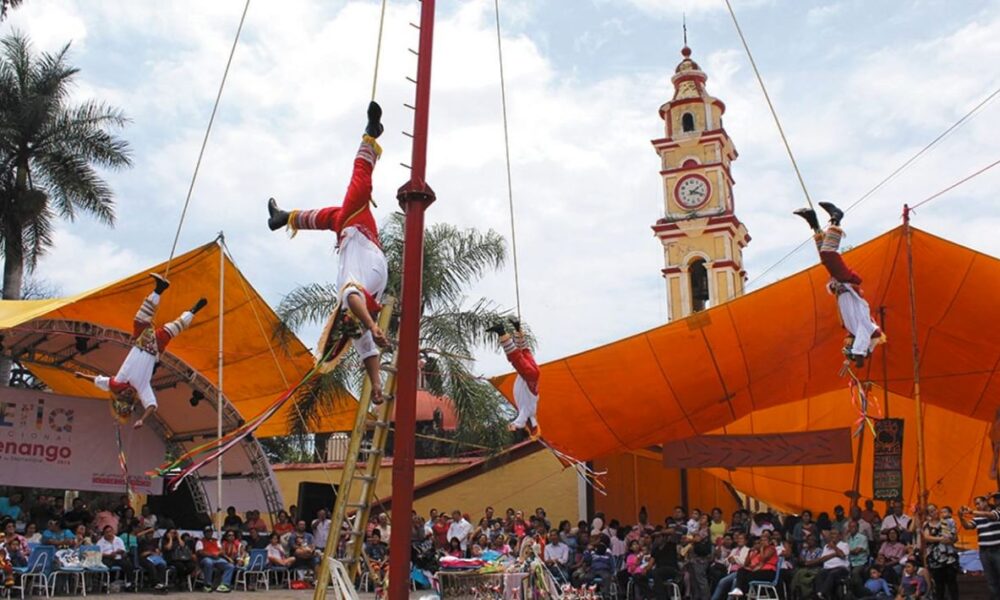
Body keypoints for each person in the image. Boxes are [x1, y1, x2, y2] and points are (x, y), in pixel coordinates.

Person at [267, 101, 389, 403]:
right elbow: (352, 299)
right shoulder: (348, 298)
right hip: (362, 240)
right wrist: (373, 325)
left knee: (332, 216)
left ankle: (284, 217)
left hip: (355, 238)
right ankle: (370, 135)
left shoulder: (351, 317)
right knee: (359, 183)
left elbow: (367, 351)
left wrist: (376, 385)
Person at [75, 274, 207, 428]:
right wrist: (142, 420)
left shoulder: (116, 383)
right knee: (174, 327)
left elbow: (98, 381)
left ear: (120, 394)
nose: (128, 393)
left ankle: (159, 289)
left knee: (140, 318)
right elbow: (151, 405)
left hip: (140, 341)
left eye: (124, 394)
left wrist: (82, 375)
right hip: (154, 347)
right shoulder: (142, 388)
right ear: (133, 398)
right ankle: (192, 311)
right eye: (130, 396)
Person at [793, 202, 884, 367]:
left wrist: (833, 288)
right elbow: (864, 337)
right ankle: (836, 218)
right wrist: (859, 357)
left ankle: (814, 224)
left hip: (841, 284)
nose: (848, 346)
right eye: (854, 348)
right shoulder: (866, 327)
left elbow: (841, 301)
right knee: (829, 255)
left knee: (824, 257)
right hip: (847, 282)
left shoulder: (851, 326)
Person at [486, 317, 540, 434]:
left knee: (524, 351)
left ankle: (517, 327)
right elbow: (521, 421)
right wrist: (514, 426)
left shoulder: (532, 409)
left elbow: (528, 420)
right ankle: (501, 331)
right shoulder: (527, 411)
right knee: (515, 357)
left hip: (534, 373)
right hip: (530, 375)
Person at [960, 495, 1000, 598]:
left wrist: (971, 511)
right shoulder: (977, 517)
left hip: (997, 549)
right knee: (991, 579)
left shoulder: (996, 511)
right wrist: (961, 518)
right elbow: (968, 526)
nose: (977, 506)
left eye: (979, 503)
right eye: (976, 504)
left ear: (985, 502)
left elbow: (991, 515)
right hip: (984, 551)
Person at [922, 504, 958, 599]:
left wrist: (950, 540)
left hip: (948, 556)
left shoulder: (947, 522)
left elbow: (954, 537)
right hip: (935, 557)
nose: (935, 512)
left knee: (952, 582)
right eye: (931, 511)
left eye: (935, 510)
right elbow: (926, 537)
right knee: (939, 584)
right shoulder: (926, 524)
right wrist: (940, 539)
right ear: (928, 514)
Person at [814, 529, 850, 599]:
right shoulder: (826, 546)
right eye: (831, 534)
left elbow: (842, 555)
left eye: (834, 534)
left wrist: (834, 547)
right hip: (828, 569)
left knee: (833, 574)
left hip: (841, 569)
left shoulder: (844, 545)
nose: (832, 536)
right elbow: (822, 559)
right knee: (820, 573)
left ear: (840, 536)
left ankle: (823, 593)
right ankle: (818, 594)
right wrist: (835, 554)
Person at [195, 527, 234, 593]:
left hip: (217, 558)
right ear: (204, 533)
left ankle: (224, 585)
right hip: (205, 558)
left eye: (210, 531)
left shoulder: (216, 540)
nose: (209, 533)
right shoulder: (200, 541)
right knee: (209, 562)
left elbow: (221, 550)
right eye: (207, 532)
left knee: (230, 566)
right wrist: (211, 555)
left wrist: (217, 553)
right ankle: (207, 585)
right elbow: (200, 552)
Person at [97, 525, 133, 589]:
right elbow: (99, 554)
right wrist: (109, 555)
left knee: (128, 564)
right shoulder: (100, 542)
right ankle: (105, 584)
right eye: (107, 532)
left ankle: (129, 584)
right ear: (104, 533)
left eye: (110, 531)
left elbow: (123, 551)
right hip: (107, 558)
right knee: (106, 565)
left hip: (118, 557)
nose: (109, 534)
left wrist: (120, 552)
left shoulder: (118, 539)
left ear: (113, 532)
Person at [791, 534, 825, 600]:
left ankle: (805, 593)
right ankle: (797, 591)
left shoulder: (819, 551)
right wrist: (802, 561)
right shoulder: (804, 550)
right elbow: (801, 561)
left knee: (801, 573)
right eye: (808, 540)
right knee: (799, 572)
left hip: (815, 569)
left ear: (815, 541)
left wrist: (807, 562)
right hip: (805, 568)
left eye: (812, 540)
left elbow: (819, 562)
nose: (810, 541)